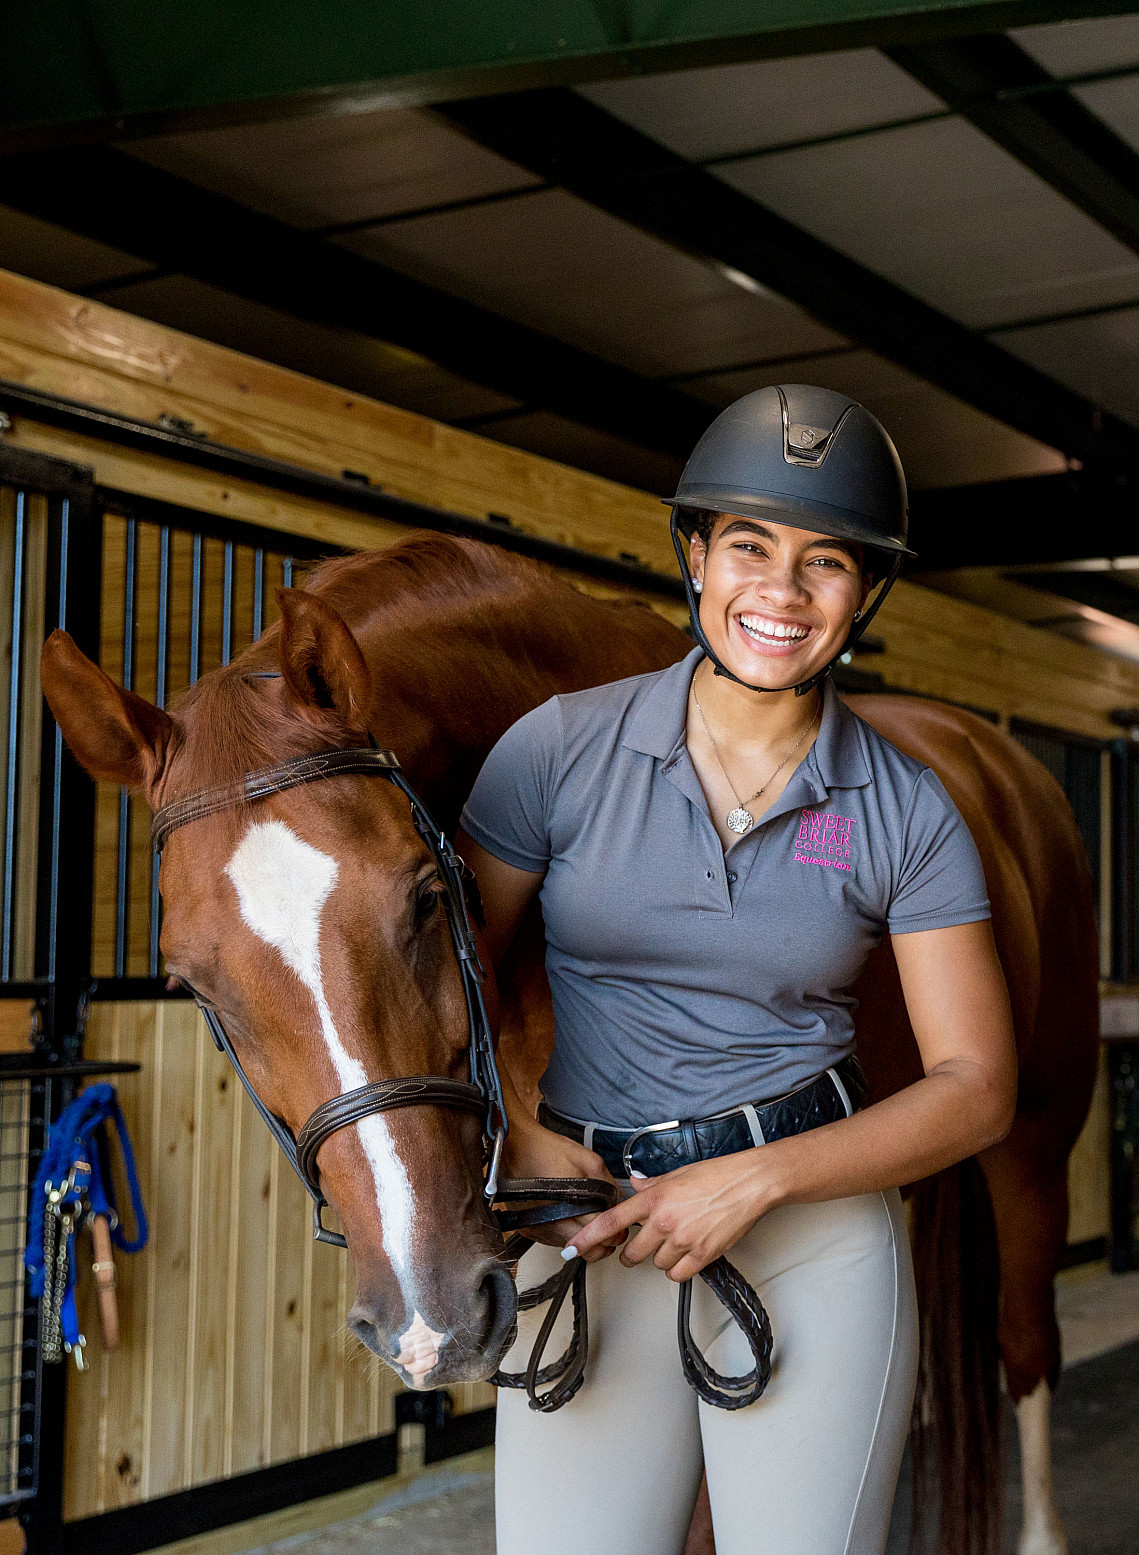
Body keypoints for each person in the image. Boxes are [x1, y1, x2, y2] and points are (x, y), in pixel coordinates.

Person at [456, 385, 1017, 1555]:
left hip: (809, 1235)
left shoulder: (906, 813)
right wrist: (510, 1126)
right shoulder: (556, 749)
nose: (780, 590)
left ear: (863, 594)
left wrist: (752, 1181)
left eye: (824, 562)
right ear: (697, 557)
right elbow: (447, 985)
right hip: (591, 1224)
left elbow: (975, 1085)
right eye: (750, 546)